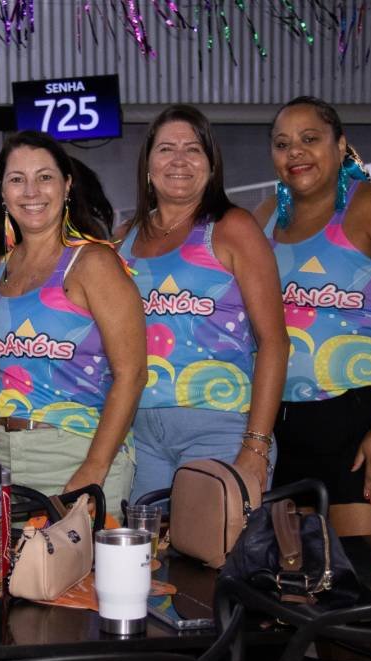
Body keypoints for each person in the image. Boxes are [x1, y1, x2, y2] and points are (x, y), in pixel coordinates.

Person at [255, 96, 371, 509]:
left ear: (340, 146)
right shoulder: (264, 217)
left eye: (310, 139)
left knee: (366, 549)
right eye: (282, 144)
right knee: (294, 549)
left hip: (360, 415)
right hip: (280, 423)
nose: (295, 152)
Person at [118, 105, 288, 502]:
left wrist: (256, 445)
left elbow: (275, 341)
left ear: (211, 166)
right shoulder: (123, 239)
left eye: (193, 149)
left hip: (220, 429)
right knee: (146, 544)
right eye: (166, 149)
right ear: (148, 165)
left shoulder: (233, 228)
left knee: (213, 542)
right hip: (139, 435)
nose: (179, 160)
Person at [0, 131, 146, 512]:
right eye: (17, 179)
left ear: (67, 185)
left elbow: (132, 374)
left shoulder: (93, 263)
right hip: (1, 461)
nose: (31, 191)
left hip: (76, 454)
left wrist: (94, 468)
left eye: (45, 177)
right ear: (3, 192)